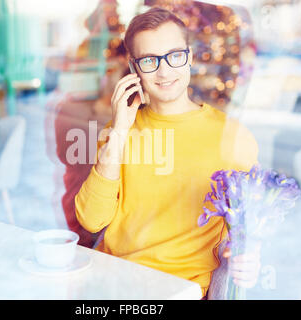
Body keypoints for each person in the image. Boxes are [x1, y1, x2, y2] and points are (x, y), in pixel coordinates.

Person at [74, 7, 261, 299]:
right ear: (134, 67)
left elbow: (249, 223)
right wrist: (121, 130)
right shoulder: (118, 131)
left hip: (177, 290)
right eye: (149, 60)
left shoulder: (232, 137)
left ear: (189, 56)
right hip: (112, 282)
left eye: (174, 55)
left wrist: (249, 257)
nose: (164, 71)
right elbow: (91, 220)